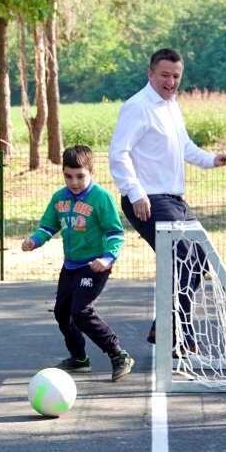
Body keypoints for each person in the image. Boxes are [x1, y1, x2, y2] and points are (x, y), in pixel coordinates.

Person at [108, 48, 226, 351]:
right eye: (164, 74)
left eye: (176, 76)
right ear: (150, 74)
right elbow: (118, 153)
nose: (171, 81)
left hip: (174, 199)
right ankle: (178, 333)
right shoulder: (138, 107)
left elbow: (184, 145)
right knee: (181, 259)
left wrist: (210, 159)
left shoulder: (172, 105)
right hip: (148, 199)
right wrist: (135, 193)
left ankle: (165, 326)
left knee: (198, 258)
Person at [22, 145, 134, 382]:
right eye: (68, 176)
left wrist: (107, 258)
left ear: (92, 172)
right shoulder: (59, 198)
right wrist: (34, 240)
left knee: (81, 311)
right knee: (63, 313)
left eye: (80, 176)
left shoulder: (101, 198)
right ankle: (79, 359)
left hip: (94, 265)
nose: (74, 182)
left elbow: (116, 233)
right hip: (70, 265)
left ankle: (118, 354)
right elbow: (48, 226)